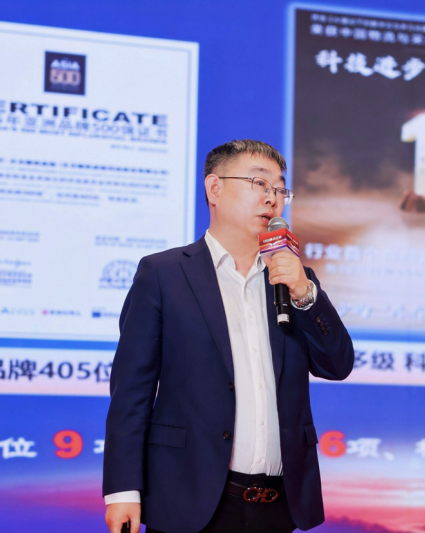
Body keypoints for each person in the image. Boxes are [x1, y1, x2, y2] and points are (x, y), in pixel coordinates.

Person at [102, 140, 354, 533]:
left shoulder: (292, 280)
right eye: (259, 183)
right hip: (189, 503)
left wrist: (306, 294)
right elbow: (131, 392)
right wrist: (123, 490)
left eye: (280, 189)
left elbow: (336, 365)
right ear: (214, 188)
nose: (272, 198)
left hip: (278, 507)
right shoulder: (164, 274)